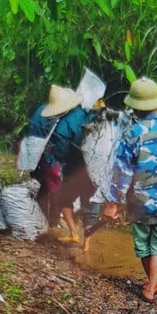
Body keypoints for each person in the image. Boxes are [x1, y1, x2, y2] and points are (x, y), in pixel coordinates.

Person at [102, 77, 157, 301]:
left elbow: (123, 172)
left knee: (143, 244)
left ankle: (151, 284)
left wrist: (113, 202)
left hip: (140, 201)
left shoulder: (133, 132)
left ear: (135, 104)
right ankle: (152, 284)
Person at [39, 84, 100, 245]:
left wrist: (51, 156)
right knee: (90, 204)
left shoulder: (63, 126)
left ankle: (73, 233)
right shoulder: (90, 113)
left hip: (74, 168)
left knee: (64, 199)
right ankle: (87, 244)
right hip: (95, 168)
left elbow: (61, 153)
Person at [27, 97, 62, 228]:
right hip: (47, 156)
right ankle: (53, 222)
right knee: (55, 188)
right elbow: (55, 139)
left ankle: (40, 216)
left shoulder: (41, 109)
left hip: (35, 153)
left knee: (43, 185)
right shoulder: (53, 117)